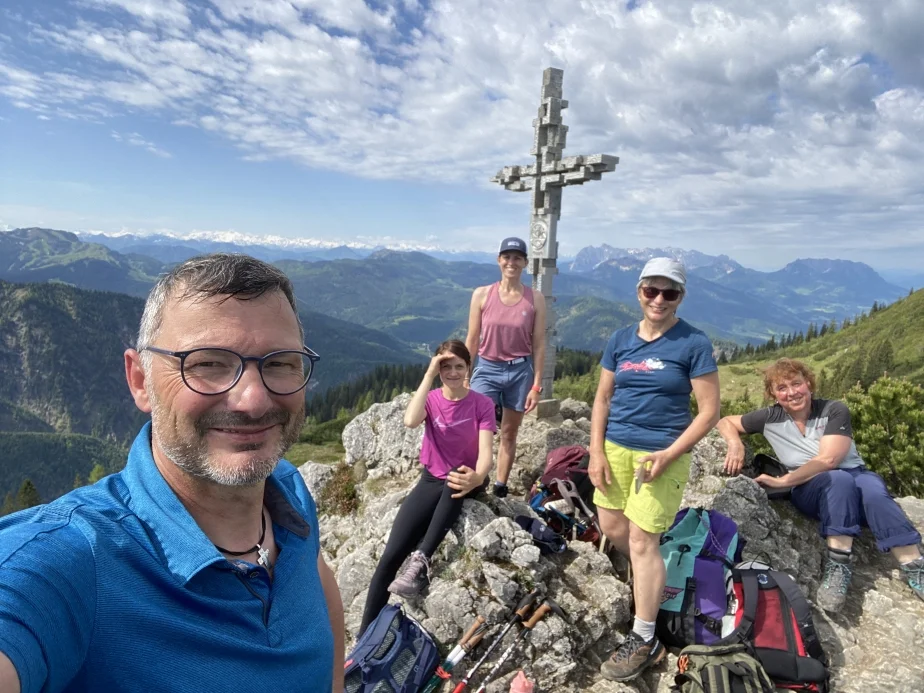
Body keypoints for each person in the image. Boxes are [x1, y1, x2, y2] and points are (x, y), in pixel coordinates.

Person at [0, 254, 345, 693]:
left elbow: (316, 581)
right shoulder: (72, 560)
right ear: (140, 380)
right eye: (207, 363)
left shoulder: (289, 493)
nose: (254, 400)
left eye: (280, 362)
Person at [589, 257, 720, 682]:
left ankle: (644, 638)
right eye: (652, 290)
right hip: (615, 450)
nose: (659, 299)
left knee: (643, 540)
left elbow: (709, 412)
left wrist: (669, 454)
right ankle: (653, 574)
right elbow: (603, 399)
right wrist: (596, 451)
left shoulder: (693, 344)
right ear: (639, 291)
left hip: (662, 455)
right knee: (612, 528)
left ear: (681, 297)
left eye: (670, 292)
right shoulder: (620, 339)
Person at [717, 357, 923, 612]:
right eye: (782, 388)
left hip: (850, 473)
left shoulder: (834, 410)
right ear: (773, 393)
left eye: (797, 383)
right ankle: (839, 563)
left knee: (872, 491)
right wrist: (735, 444)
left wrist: (783, 481)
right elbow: (725, 421)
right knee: (839, 480)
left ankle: (914, 566)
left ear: (809, 384)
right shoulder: (770, 417)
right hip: (811, 486)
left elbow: (829, 459)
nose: (792, 392)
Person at [359, 340, 496, 636]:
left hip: (466, 478)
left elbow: (486, 451)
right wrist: (429, 374)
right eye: (446, 367)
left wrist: (479, 476)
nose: (453, 372)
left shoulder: (482, 404)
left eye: (460, 366)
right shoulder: (432, 400)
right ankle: (364, 637)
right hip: (431, 479)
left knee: (456, 477)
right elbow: (410, 421)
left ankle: (421, 559)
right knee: (391, 556)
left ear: (469, 368)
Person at [465, 237, 546, 498]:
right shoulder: (482, 294)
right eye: (507, 257)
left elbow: (539, 343)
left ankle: (500, 485)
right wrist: (465, 375)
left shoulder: (535, 298)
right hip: (487, 368)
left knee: (510, 431)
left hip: (520, 371)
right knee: (479, 427)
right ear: (499, 260)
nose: (512, 262)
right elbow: (472, 338)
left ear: (525, 263)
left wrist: (536, 384)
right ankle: (476, 479)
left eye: (517, 257)